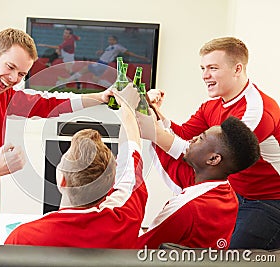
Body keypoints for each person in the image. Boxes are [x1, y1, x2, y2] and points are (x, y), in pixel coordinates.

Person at [0, 28, 113, 244]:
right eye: (10, 67)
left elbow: (46, 103)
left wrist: (99, 97)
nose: (14, 78)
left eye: (22, 74)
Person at [147, 37, 280, 249]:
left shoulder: (256, 112)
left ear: (237, 69)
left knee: (230, 258)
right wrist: (154, 111)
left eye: (213, 68)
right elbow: (184, 135)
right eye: (203, 68)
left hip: (267, 201)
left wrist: (154, 133)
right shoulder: (212, 105)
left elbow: (210, 156)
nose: (204, 75)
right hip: (234, 193)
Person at [4, 84, 148, 248]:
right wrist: (128, 108)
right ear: (110, 185)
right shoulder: (127, 218)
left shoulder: (22, 238)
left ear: (62, 181)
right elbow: (131, 150)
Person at [135, 114, 260, 249]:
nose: (192, 139)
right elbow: (172, 162)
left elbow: (139, 250)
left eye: (201, 138)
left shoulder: (188, 207)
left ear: (213, 159)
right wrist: (154, 117)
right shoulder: (227, 195)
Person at [57, 35, 148, 88]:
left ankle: (66, 81)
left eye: (111, 39)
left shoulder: (118, 46)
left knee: (86, 68)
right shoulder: (110, 46)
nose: (109, 41)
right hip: (101, 63)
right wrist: (101, 52)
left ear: (115, 40)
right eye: (109, 39)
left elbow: (129, 52)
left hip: (103, 64)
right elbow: (108, 53)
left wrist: (141, 57)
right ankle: (113, 88)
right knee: (95, 79)